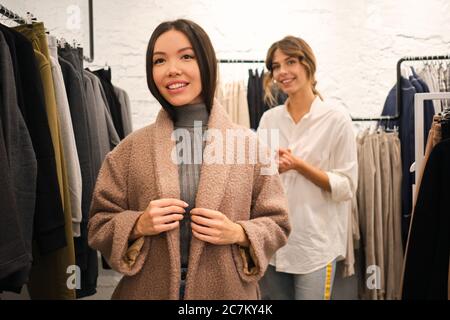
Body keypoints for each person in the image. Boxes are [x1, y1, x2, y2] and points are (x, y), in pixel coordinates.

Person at [87, 19, 291, 300]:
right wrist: (138, 224)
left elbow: (277, 222)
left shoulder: (252, 148)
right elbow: (98, 223)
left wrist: (238, 232)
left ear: (206, 63)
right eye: (159, 60)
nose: (172, 69)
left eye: (186, 56)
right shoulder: (129, 150)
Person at [258, 36, 358, 300]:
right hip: (275, 244)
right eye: (276, 66)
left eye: (290, 62)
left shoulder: (336, 119)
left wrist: (300, 166)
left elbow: (346, 186)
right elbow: (258, 179)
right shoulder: (269, 120)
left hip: (316, 246)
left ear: (308, 65)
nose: (282, 72)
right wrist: (273, 169)